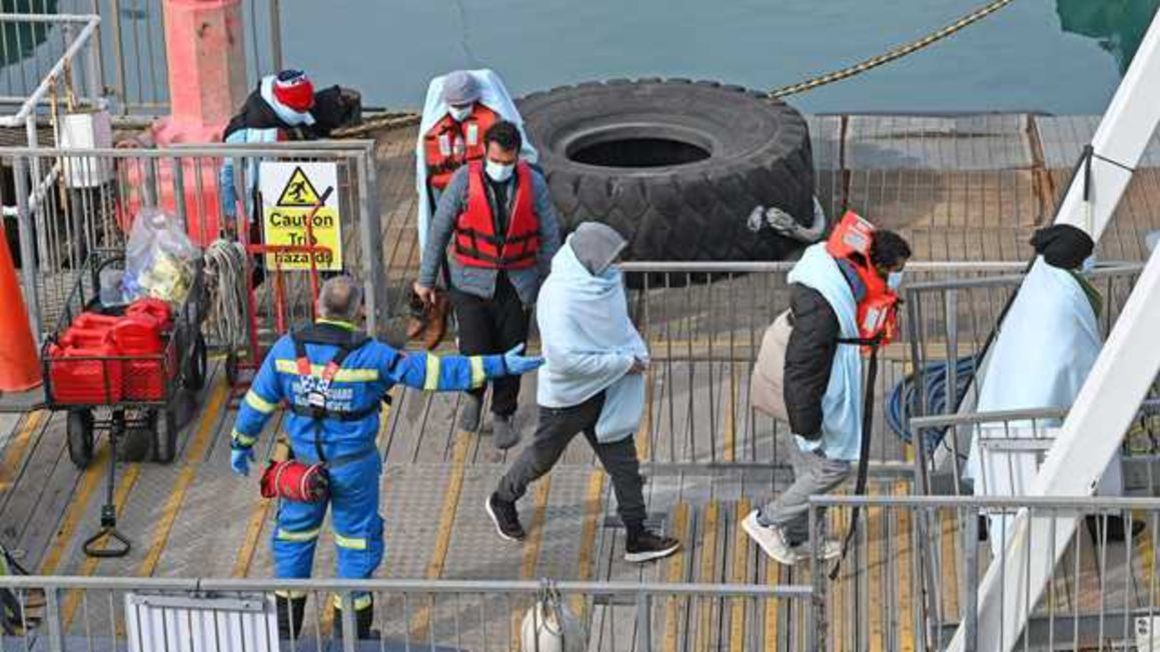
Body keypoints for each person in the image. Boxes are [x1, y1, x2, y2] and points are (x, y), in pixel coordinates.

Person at [229, 275, 543, 640]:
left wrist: (240, 443)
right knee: (356, 549)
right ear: (359, 312)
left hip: (298, 471)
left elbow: (257, 403)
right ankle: (350, 641)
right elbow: (434, 372)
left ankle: (282, 639)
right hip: (353, 471)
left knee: (292, 545)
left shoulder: (286, 349)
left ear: (318, 306)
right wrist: (498, 365)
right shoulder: (372, 355)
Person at [484, 222, 681, 563]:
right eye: (610, 259)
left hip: (607, 390)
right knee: (541, 459)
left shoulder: (605, 282)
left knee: (625, 467)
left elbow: (620, 328)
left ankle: (636, 536)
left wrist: (630, 357)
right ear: (590, 261)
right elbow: (564, 361)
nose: (615, 266)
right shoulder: (558, 297)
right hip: (568, 399)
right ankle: (503, 498)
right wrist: (621, 364)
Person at [742, 213, 911, 565]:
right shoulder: (824, 311)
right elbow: (803, 373)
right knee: (832, 467)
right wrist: (809, 426)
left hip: (792, 371)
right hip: (795, 385)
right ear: (874, 264)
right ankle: (765, 521)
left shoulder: (835, 272)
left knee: (808, 468)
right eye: (894, 270)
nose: (897, 278)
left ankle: (804, 539)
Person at [965, 223, 1126, 555]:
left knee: (1000, 470)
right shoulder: (1064, 302)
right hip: (1044, 408)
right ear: (1074, 262)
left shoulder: (1043, 284)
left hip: (1013, 397)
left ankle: (985, 518)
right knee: (1092, 451)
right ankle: (1103, 523)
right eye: (1086, 258)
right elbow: (1076, 358)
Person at [414, 121, 561, 449]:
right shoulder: (464, 180)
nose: (502, 168)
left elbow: (550, 235)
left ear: (517, 157)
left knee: (513, 350)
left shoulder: (533, 184)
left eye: (508, 162)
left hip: (517, 282)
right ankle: (474, 396)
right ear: (485, 153)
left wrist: (550, 282)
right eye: (497, 160)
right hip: (470, 282)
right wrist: (426, 279)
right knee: (473, 348)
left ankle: (503, 412)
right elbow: (440, 230)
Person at [410, 69, 538, 347]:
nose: (457, 111)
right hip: (448, 189)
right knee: (447, 249)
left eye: (462, 105)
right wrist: (426, 277)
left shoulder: (494, 126)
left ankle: (471, 318)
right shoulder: (437, 125)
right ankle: (441, 308)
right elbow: (438, 228)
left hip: (486, 197)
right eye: (453, 106)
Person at [219, 69, 319, 239]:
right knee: (259, 230)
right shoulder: (244, 131)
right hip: (257, 196)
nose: (310, 107)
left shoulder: (287, 115)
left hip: (285, 198)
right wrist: (230, 215)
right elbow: (228, 176)